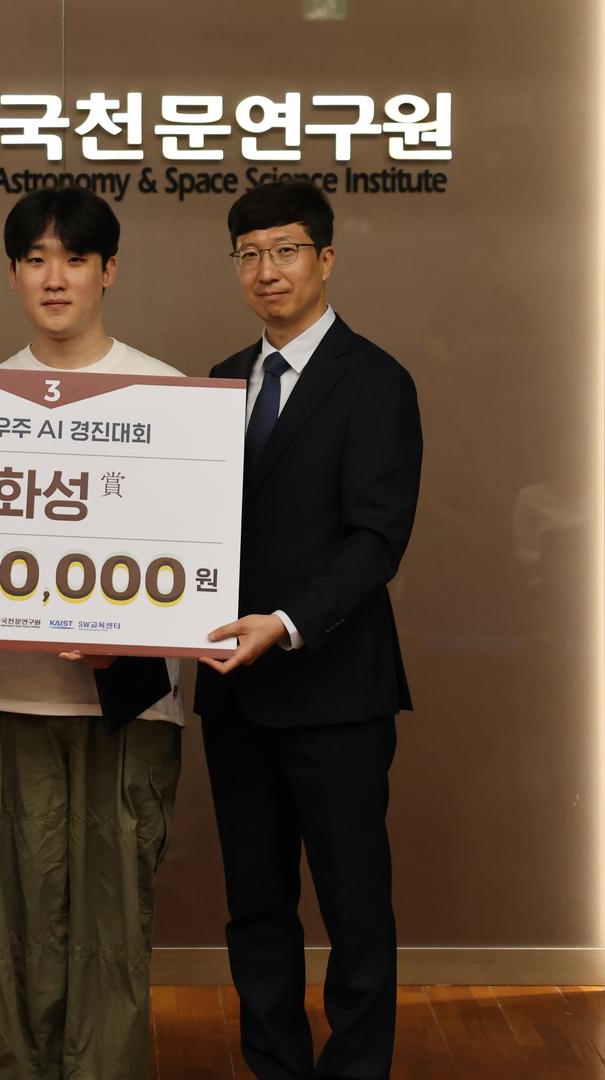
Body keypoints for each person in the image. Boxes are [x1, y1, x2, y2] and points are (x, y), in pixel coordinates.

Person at [0, 187, 182, 1079]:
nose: (55, 278)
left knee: (112, 940)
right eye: (36, 259)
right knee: (13, 937)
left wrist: (132, 639)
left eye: (75, 258)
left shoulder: (166, 393)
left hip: (127, 706)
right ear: (12, 274)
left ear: (107, 271)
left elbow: (195, 558)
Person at [197, 180, 423, 1080]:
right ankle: (275, 1068)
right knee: (255, 908)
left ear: (325, 258)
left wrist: (287, 623)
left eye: (285, 250)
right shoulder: (219, 383)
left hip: (335, 692)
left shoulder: (376, 381)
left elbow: (377, 539)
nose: (267, 270)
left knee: (353, 907)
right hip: (234, 692)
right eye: (249, 254)